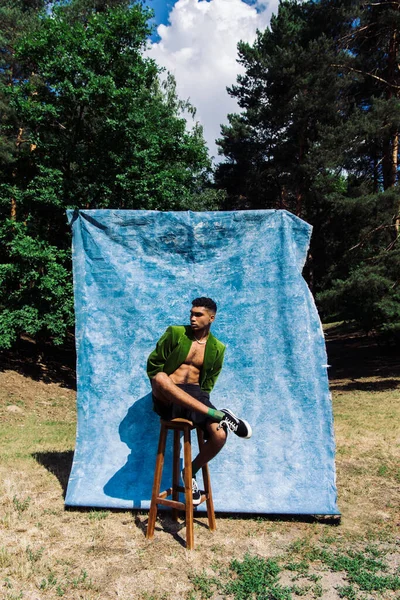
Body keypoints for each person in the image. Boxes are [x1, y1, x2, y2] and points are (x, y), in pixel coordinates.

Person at [147, 297, 252, 504]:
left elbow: (207, 384)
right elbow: (153, 367)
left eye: (198, 314)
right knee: (160, 377)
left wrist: (202, 410)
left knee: (220, 435)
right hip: (168, 396)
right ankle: (219, 414)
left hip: (196, 396)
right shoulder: (175, 333)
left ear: (211, 318)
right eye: (191, 314)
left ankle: (190, 472)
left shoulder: (217, 348)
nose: (192, 318)